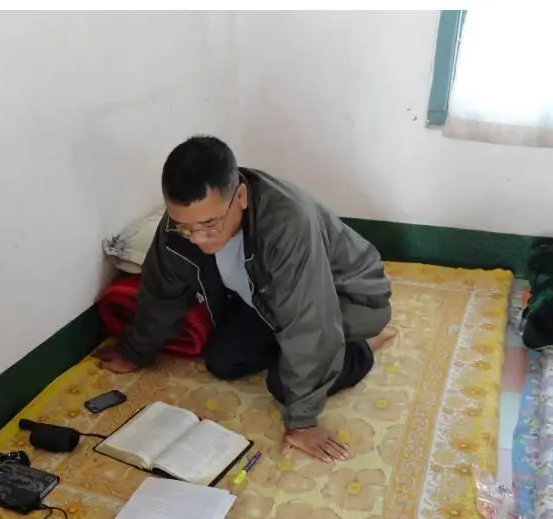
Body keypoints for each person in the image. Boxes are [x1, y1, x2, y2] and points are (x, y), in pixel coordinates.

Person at [95, 136, 394, 463]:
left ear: (240, 196)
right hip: (268, 299)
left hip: (346, 298)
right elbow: (160, 292)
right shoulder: (181, 226)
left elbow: (310, 320)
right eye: (185, 227)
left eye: (209, 224)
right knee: (224, 361)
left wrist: (303, 421)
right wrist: (135, 352)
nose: (198, 239)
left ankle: (361, 348)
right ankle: (306, 352)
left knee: (284, 386)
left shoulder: (288, 225)